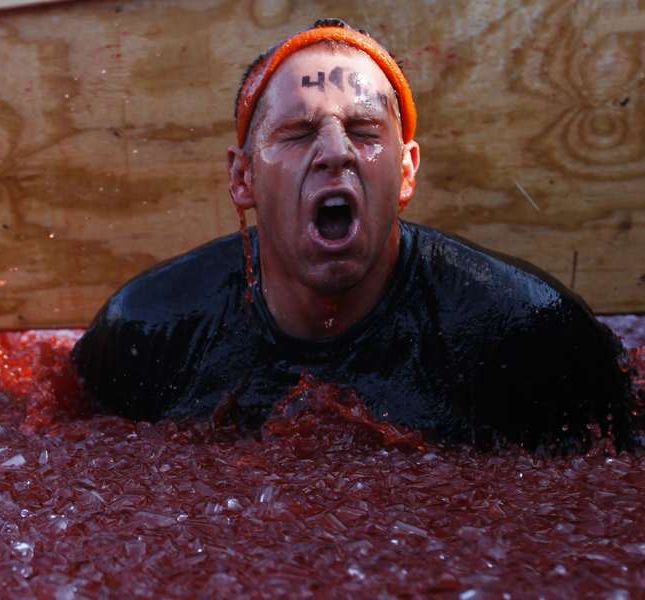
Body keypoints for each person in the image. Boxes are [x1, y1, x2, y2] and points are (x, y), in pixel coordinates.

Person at [72, 19, 640, 454]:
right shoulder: (147, 332)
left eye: (365, 131)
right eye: (297, 133)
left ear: (407, 171)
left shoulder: (528, 333)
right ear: (242, 177)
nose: (336, 152)